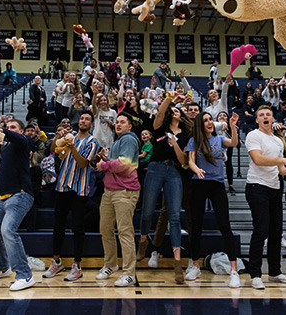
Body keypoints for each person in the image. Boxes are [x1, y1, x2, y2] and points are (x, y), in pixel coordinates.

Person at [244, 105, 286, 289]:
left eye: (268, 114)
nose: (265, 117)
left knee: (276, 232)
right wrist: (283, 160)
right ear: (257, 120)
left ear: (272, 119)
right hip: (256, 186)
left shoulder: (277, 141)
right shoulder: (253, 135)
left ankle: (275, 272)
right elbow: (258, 160)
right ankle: (255, 274)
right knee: (261, 230)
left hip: (275, 187)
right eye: (261, 115)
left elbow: (280, 169)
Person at [137, 95, 191, 284]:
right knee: (147, 211)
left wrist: (175, 143)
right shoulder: (160, 127)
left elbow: (184, 160)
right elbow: (160, 112)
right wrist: (171, 98)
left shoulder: (185, 134)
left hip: (174, 170)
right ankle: (143, 241)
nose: (175, 111)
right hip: (155, 168)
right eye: (172, 110)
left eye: (178, 110)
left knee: (175, 216)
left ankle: (177, 265)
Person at [185, 111, 240, 287]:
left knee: (225, 225)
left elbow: (234, 142)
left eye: (210, 119)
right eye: (206, 120)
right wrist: (196, 170)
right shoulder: (194, 140)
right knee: (196, 226)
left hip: (217, 185)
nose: (209, 122)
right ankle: (195, 265)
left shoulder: (219, 139)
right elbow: (191, 161)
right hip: (199, 183)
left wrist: (232, 126)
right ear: (200, 124)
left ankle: (234, 271)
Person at [44, 111, 99, 282]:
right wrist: (57, 138)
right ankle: (56, 261)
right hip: (62, 186)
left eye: (87, 119)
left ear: (91, 124)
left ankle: (77, 265)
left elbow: (83, 164)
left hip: (79, 189)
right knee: (58, 225)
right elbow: (53, 150)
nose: (83, 121)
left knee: (77, 227)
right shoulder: (70, 135)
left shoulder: (93, 142)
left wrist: (72, 146)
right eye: (81, 118)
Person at [0, 117, 36, 291]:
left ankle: (25, 275)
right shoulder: (5, 148)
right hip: (3, 197)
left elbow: (20, 138)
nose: (9, 129)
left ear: (20, 130)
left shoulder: (24, 141)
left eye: (13, 127)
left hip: (20, 195)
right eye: (7, 126)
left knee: (8, 231)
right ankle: (3, 267)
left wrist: (2, 130)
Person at [94, 112, 141, 287]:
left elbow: (124, 164)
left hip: (125, 191)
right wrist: (106, 159)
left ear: (130, 126)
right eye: (117, 122)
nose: (119, 124)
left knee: (124, 231)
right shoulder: (118, 141)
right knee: (105, 229)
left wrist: (103, 165)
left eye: (123, 122)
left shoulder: (128, 139)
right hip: (110, 191)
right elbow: (117, 163)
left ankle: (129, 273)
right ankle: (111, 264)